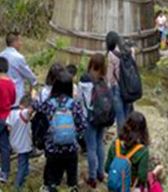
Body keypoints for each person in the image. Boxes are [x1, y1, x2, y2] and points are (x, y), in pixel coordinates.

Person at [34, 71, 86, 191]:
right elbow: (82, 125)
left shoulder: (49, 104)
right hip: (71, 149)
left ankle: (50, 187)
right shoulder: (74, 104)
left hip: (52, 149)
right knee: (72, 181)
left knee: (51, 179)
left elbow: (41, 121)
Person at [105, 111, 159, 191]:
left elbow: (106, 168)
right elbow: (142, 177)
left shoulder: (115, 144)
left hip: (115, 187)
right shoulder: (142, 151)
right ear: (143, 130)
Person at [79, 54, 110, 188]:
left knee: (91, 147)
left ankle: (92, 178)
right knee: (99, 145)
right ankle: (100, 173)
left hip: (89, 118)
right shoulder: (104, 80)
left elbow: (79, 100)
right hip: (102, 118)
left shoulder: (85, 81)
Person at [0, 31, 38, 106]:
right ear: (15, 42)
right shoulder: (18, 58)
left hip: (2, 95)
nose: (21, 44)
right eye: (20, 41)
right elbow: (29, 76)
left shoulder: (0, 56)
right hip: (16, 96)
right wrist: (34, 84)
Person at [106, 31, 135, 130]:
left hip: (117, 88)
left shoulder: (112, 54)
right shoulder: (131, 51)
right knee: (127, 114)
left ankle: (121, 141)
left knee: (120, 116)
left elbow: (109, 78)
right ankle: (128, 139)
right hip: (129, 87)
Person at [7, 94, 33, 190]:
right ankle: (18, 185)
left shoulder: (11, 113)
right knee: (22, 164)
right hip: (23, 143)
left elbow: (9, 128)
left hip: (14, 142)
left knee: (24, 162)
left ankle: (24, 178)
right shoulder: (24, 113)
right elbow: (32, 109)